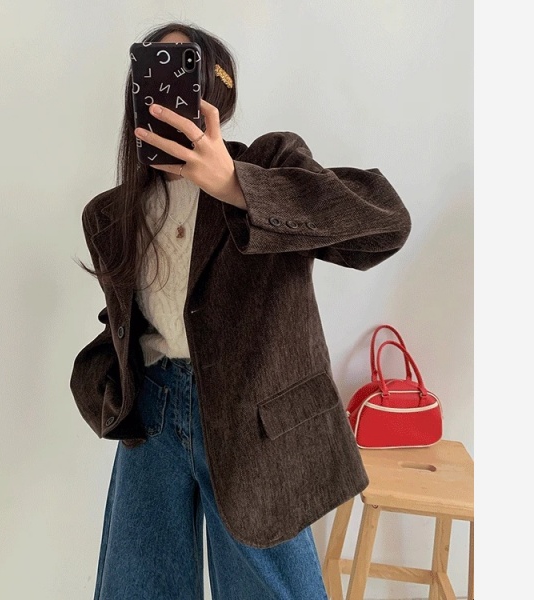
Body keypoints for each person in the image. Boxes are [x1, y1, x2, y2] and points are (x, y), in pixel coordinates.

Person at [70, 21, 411, 600]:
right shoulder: (110, 213)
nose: (164, 91)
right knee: (137, 588)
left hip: (252, 421)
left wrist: (237, 187)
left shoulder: (269, 167)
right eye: (152, 74)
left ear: (215, 91)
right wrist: (107, 386)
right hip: (152, 419)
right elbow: (135, 316)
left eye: (184, 73)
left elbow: (385, 225)